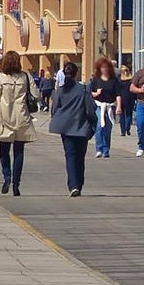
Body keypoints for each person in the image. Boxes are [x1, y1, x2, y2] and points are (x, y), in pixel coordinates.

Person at [0, 50, 37, 195]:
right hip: (22, 117)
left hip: (4, 117)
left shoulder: (0, 78)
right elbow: (36, 95)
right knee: (19, 151)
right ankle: (16, 183)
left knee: (4, 150)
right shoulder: (25, 76)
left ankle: (7, 176)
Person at [49, 61, 99, 196]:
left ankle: (73, 185)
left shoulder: (59, 91)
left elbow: (54, 110)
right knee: (80, 157)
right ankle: (79, 184)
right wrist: (94, 123)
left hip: (66, 128)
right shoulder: (83, 89)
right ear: (76, 73)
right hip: (81, 127)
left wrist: (57, 119)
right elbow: (89, 109)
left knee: (70, 156)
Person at [88, 58, 121, 159]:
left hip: (110, 106)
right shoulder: (96, 80)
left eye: (106, 67)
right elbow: (89, 93)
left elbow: (118, 94)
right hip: (99, 106)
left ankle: (106, 150)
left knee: (107, 129)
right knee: (99, 127)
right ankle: (99, 149)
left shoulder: (114, 80)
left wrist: (119, 106)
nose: (104, 69)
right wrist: (96, 93)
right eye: (102, 67)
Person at [117, 65, 136, 138]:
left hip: (121, 98)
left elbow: (117, 90)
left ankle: (123, 131)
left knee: (121, 115)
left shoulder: (119, 81)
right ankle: (127, 127)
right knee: (129, 114)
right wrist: (135, 98)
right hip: (130, 98)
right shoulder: (131, 80)